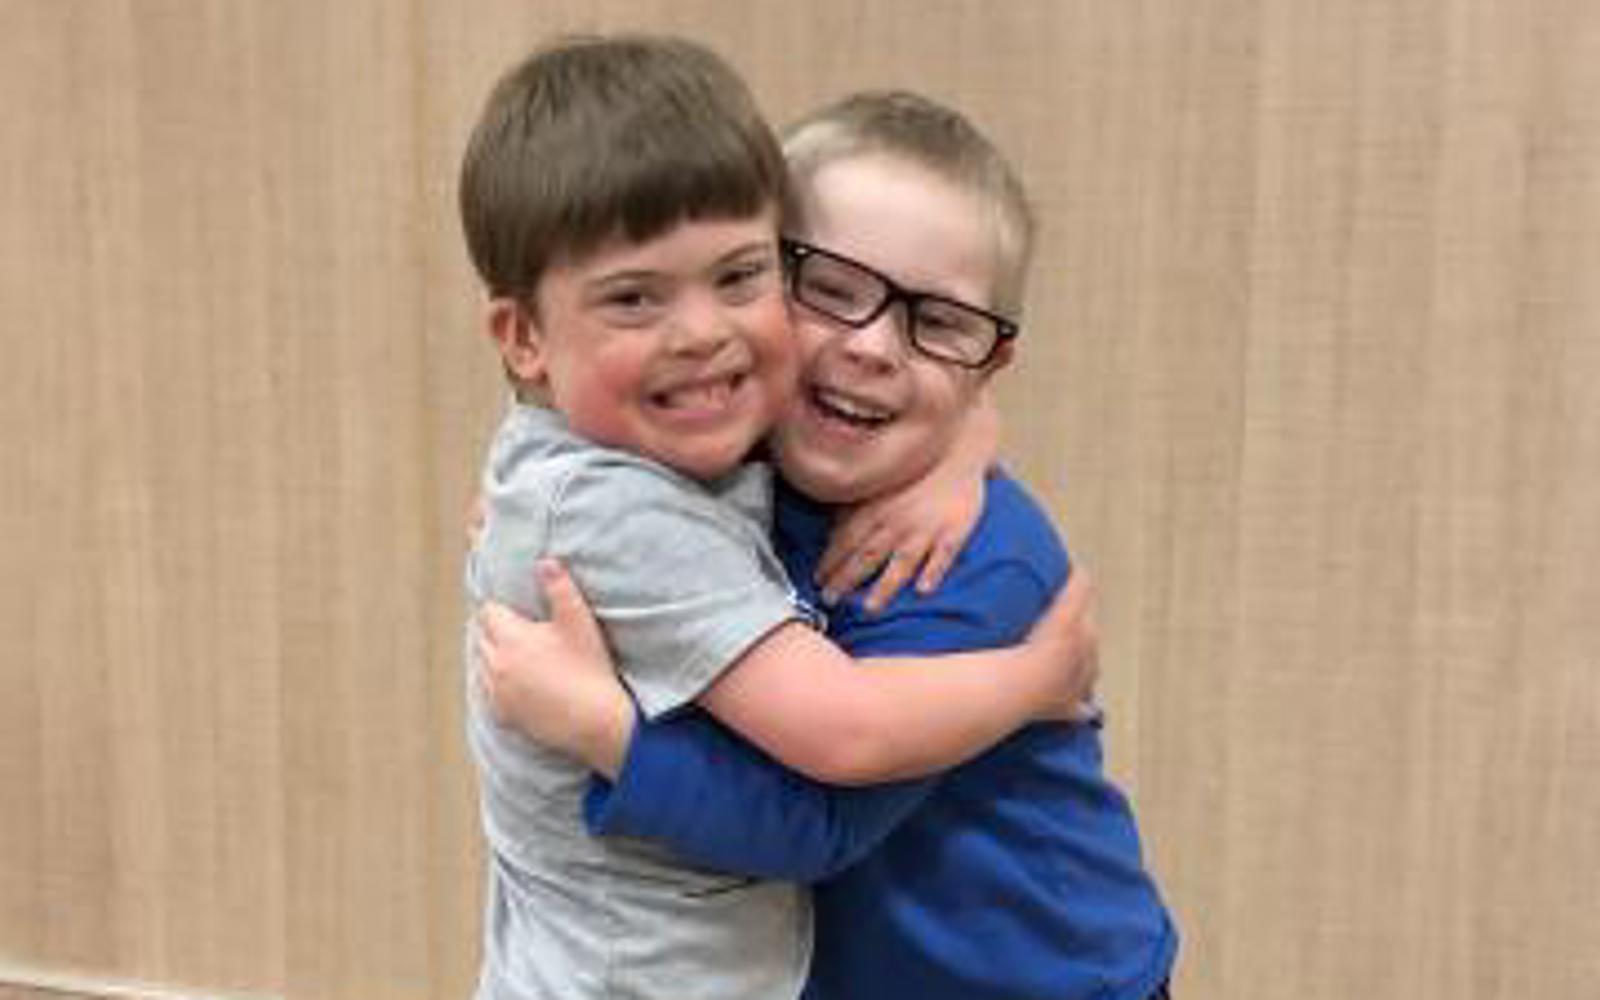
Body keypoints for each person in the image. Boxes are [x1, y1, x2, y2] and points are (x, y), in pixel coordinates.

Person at [477, 90, 1179, 999]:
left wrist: (611, 734)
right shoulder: (716, 465)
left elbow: (813, 818)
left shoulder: (971, 567)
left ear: (987, 363)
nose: (875, 347)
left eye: (938, 322)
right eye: (829, 288)